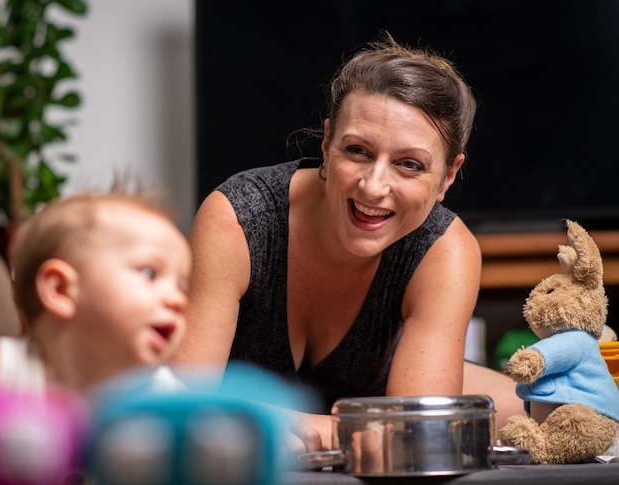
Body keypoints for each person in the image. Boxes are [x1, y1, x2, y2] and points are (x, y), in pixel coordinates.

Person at [172, 33, 520, 452]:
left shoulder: (445, 251)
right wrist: (358, 430)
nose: (374, 188)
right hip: (240, 447)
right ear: (326, 142)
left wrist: (303, 428)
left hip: (264, 424)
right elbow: (182, 406)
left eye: (409, 165)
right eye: (357, 150)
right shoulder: (237, 219)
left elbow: (418, 436)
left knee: (552, 409)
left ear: (448, 175)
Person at [0, 190, 192, 412]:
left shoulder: (167, 400)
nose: (178, 300)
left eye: (182, 285)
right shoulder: (4, 369)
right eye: (150, 273)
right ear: (60, 290)